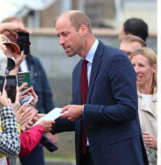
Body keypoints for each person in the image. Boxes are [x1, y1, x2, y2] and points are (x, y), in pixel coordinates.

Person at [51, 10, 148, 165]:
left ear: (82, 30)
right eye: (58, 36)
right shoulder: (78, 70)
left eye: (64, 34)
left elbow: (127, 109)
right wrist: (45, 121)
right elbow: (79, 117)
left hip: (118, 158)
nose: (61, 41)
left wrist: (83, 110)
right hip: (88, 158)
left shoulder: (116, 59)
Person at [1, 16, 56, 165]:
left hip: (32, 124)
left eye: (22, 33)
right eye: (14, 33)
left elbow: (46, 92)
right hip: (9, 125)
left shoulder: (33, 61)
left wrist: (50, 125)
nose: (18, 37)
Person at [130, 48, 157, 165]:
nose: (136, 70)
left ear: (154, 68)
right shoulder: (127, 98)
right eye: (133, 65)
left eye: (141, 65)